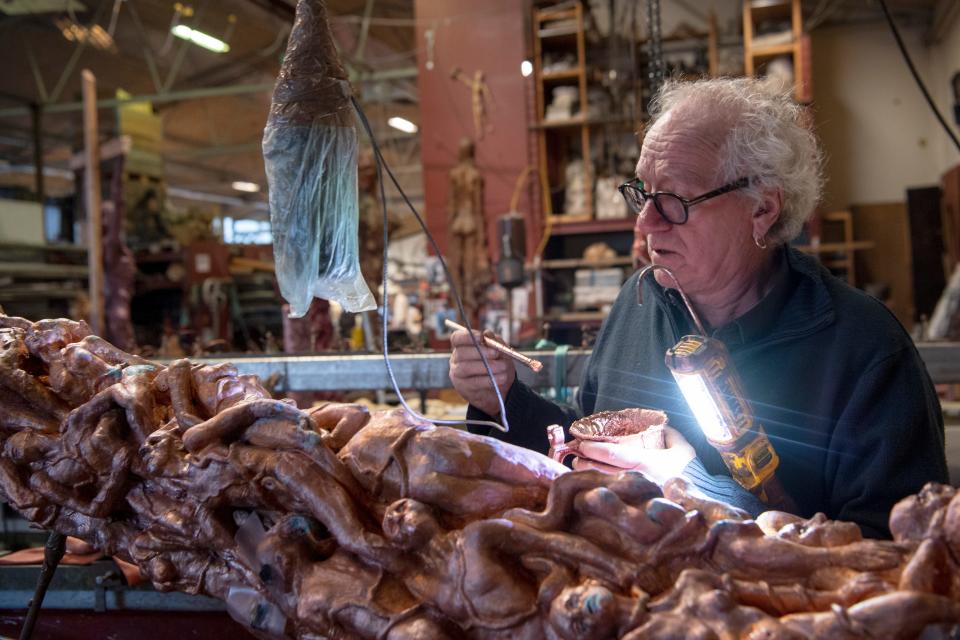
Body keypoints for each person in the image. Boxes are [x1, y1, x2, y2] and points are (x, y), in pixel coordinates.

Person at [449, 76, 947, 538]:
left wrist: (697, 489)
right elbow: (582, 444)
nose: (645, 223)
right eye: (643, 192)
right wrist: (503, 400)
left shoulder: (864, 351)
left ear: (762, 208)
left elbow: (894, 561)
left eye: (673, 200)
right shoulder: (638, 302)